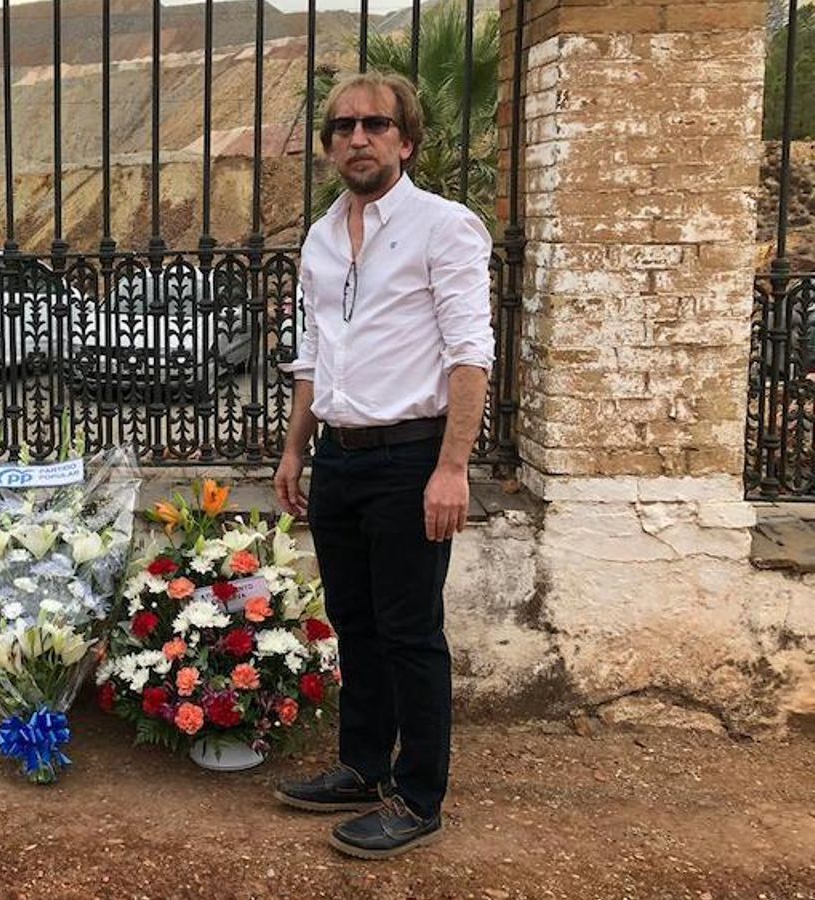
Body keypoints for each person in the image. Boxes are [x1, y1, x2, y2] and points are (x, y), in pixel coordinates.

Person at [271, 72, 494, 859]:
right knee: (356, 625)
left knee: (410, 633)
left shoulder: (446, 227)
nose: (357, 137)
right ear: (329, 145)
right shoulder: (322, 236)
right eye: (342, 126)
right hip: (339, 456)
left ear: (406, 139)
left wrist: (452, 467)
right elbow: (311, 354)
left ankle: (417, 795)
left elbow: (470, 356)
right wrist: (297, 449)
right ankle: (363, 766)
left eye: (374, 124)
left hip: (411, 459)